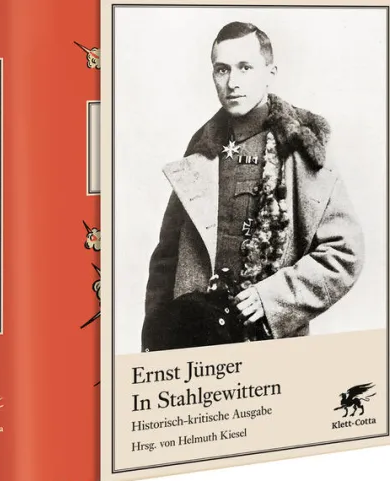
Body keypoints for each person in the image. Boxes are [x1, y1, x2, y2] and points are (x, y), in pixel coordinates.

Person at [141, 21, 364, 351]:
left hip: (267, 344)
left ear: (270, 73)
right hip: (193, 342)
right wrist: (155, 337)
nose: (232, 82)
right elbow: (166, 258)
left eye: (245, 67)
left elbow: (344, 253)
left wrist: (271, 299)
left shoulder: (300, 150)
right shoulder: (201, 151)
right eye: (222, 70)